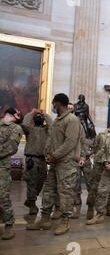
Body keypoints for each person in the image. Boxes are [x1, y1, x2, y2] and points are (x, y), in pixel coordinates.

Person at [27, 93, 82, 235]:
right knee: (49, 190)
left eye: (53, 103)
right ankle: (45, 219)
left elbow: (70, 142)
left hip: (66, 163)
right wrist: (48, 155)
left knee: (65, 193)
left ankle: (65, 222)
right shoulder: (58, 120)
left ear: (58, 103)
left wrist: (55, 155)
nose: (53, 106)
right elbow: (52, 140)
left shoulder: (72, 120)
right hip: (54, 162)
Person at [20, 109, 53, 215]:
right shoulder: (30, 129)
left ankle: (30, 199)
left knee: (41, 181)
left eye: (41, 117)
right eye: (37, 116)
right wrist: (31, 113)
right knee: (32, 181)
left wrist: (45, 114)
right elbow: (24, 124)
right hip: (31, 159)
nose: (39, 117)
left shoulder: (47, 130)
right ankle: (32, 204)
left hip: (43, 159)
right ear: (34, 119)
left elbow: (52, 125)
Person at [0, 108, 23, 240]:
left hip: (2, 168)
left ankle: (9, 224)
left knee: (3, 197)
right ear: (11, 113)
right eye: (18, 113)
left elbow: (11, 147)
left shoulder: (15, 128)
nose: (19, 115)